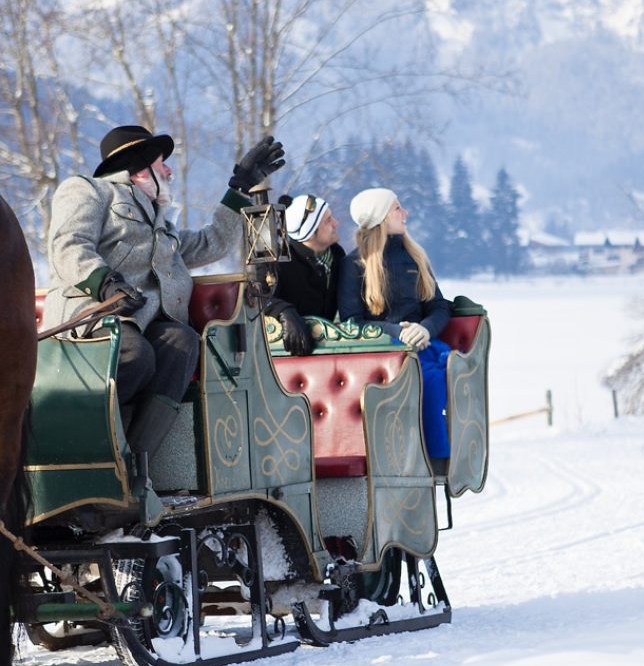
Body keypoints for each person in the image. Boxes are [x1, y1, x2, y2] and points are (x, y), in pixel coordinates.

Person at [42, 125, 285, 492]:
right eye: (162, 164)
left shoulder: (161, 226)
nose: (169, 171)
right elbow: (67, 244)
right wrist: (104, 281)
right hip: (92, 320)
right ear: (139, 170)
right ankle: (74, 450)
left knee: (181, 341)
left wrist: (239, 187)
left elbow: (212, 242)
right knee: (135, 354)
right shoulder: (89, 191)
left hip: (141, 324)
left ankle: (132, 470)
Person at [337, 187, 452, 462]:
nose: (405, 213)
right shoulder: (354, 265)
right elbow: (353, 323)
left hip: (423, 344)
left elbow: (438, 306)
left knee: (442, 370)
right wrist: (397, 333)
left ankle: (439, 456)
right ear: (381, 218)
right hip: (381, 352)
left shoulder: (416, 258)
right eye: (397, 208)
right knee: (426, 376)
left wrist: (425, 328)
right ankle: (428, 456)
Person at [265, 193, 345, 355]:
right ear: (310, 233)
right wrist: (285, 311)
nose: (336, 223)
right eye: (328, 221)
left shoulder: (337, 256)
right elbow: (258, 297)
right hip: (288, 351)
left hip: (328, 348)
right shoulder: (276, 261)